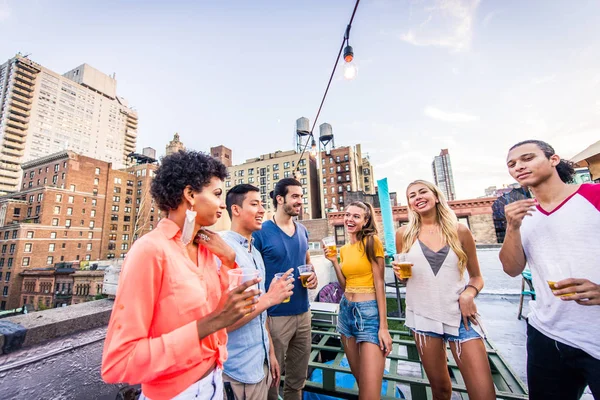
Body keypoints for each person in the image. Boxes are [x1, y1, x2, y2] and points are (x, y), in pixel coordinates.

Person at [101, 151, 260, 400]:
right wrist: (211, 323)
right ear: (190, 195)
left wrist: (229, 260)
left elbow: (222, 318)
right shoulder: (150, 250)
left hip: (215, 382)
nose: (222, 205)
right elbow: (120, 361)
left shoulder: (208, 251)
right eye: (217, 194)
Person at [499, 140, 600, 400]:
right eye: (512, 164)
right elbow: (511, 268)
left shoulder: (593, 196)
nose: (519, 167)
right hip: (547, 333)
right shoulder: (524, 215)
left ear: (553, 159)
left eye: (527, 158)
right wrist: (512, 228)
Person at [394, 180, 495, 400]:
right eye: (412, 195)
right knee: (440, 390)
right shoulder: (404, 235)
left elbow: (477, 277)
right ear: (409, 204)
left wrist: (469, 293)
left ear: (436, 196)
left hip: (461, 317)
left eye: (423, 192)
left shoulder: (460, 231)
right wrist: (400, 276)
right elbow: (406, 280)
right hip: (423, 316)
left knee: (484, 393)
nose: (417, 197)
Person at [221, 184, 294, 399]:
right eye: (254, 204)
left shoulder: (255, 253)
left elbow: (260, 315)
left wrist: (270, 352)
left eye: (262, 204)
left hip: (259, 365)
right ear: (236, 210)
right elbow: (223, 322)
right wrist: (270, 298)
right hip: (237, 373)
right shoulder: (224, 251)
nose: (262, 210)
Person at [252, 178, 318, 400]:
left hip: (304, 313)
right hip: (275, 317)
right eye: (295, 197)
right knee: (272, 379)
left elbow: (307, 261)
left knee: (297, 380)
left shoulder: (302, 230)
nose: (300, 201)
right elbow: (255, 274)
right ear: (280, 199)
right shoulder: (261, 232)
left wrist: (313, 276)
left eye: (301, 196)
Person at [323, 201, 393, 398]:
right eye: (347, 215)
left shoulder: (372, 242)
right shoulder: (344, 249)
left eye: (356, 216)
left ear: (366, 220)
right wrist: (334, 261)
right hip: (346, 311)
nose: (349, 219)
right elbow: (345, 285)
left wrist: (383, 327)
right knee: (361, 382)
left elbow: (380, 283)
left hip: (368, 313)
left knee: (370, 393)